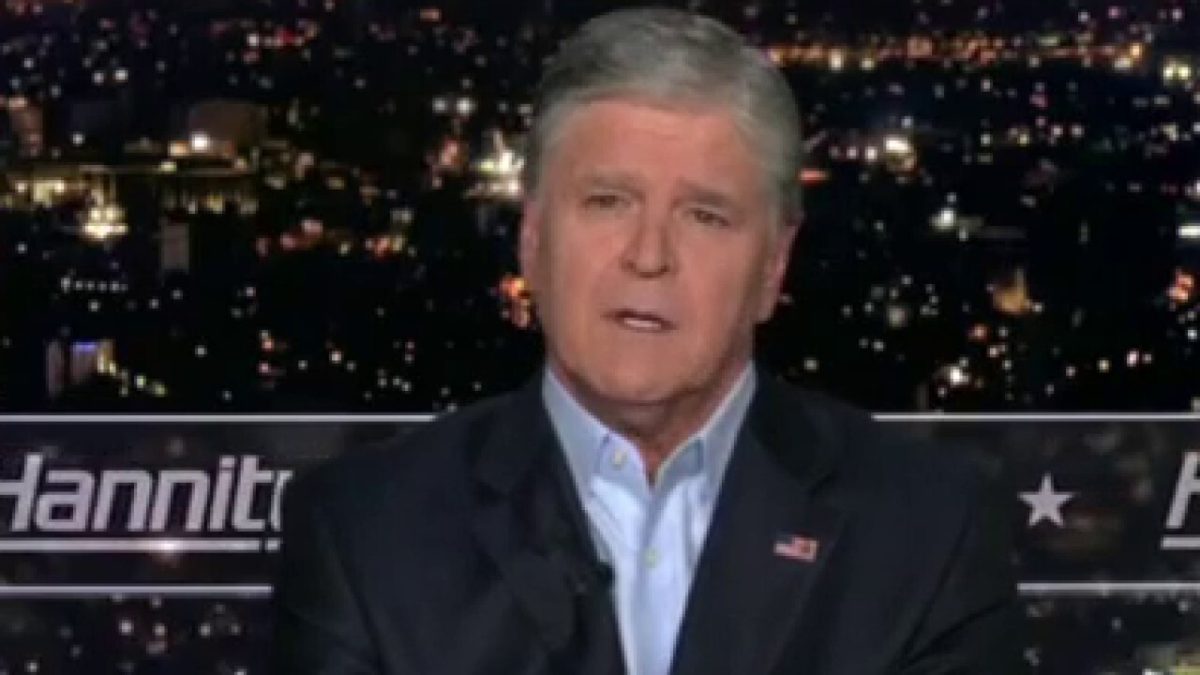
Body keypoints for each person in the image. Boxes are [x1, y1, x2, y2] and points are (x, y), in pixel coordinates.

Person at [271, 7, 1024, 674]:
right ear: (532, 238)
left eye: (705, 216)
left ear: (773, 265)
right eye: (608, 202)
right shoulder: (363, 533)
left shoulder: (931, 530)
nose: (649, 254)